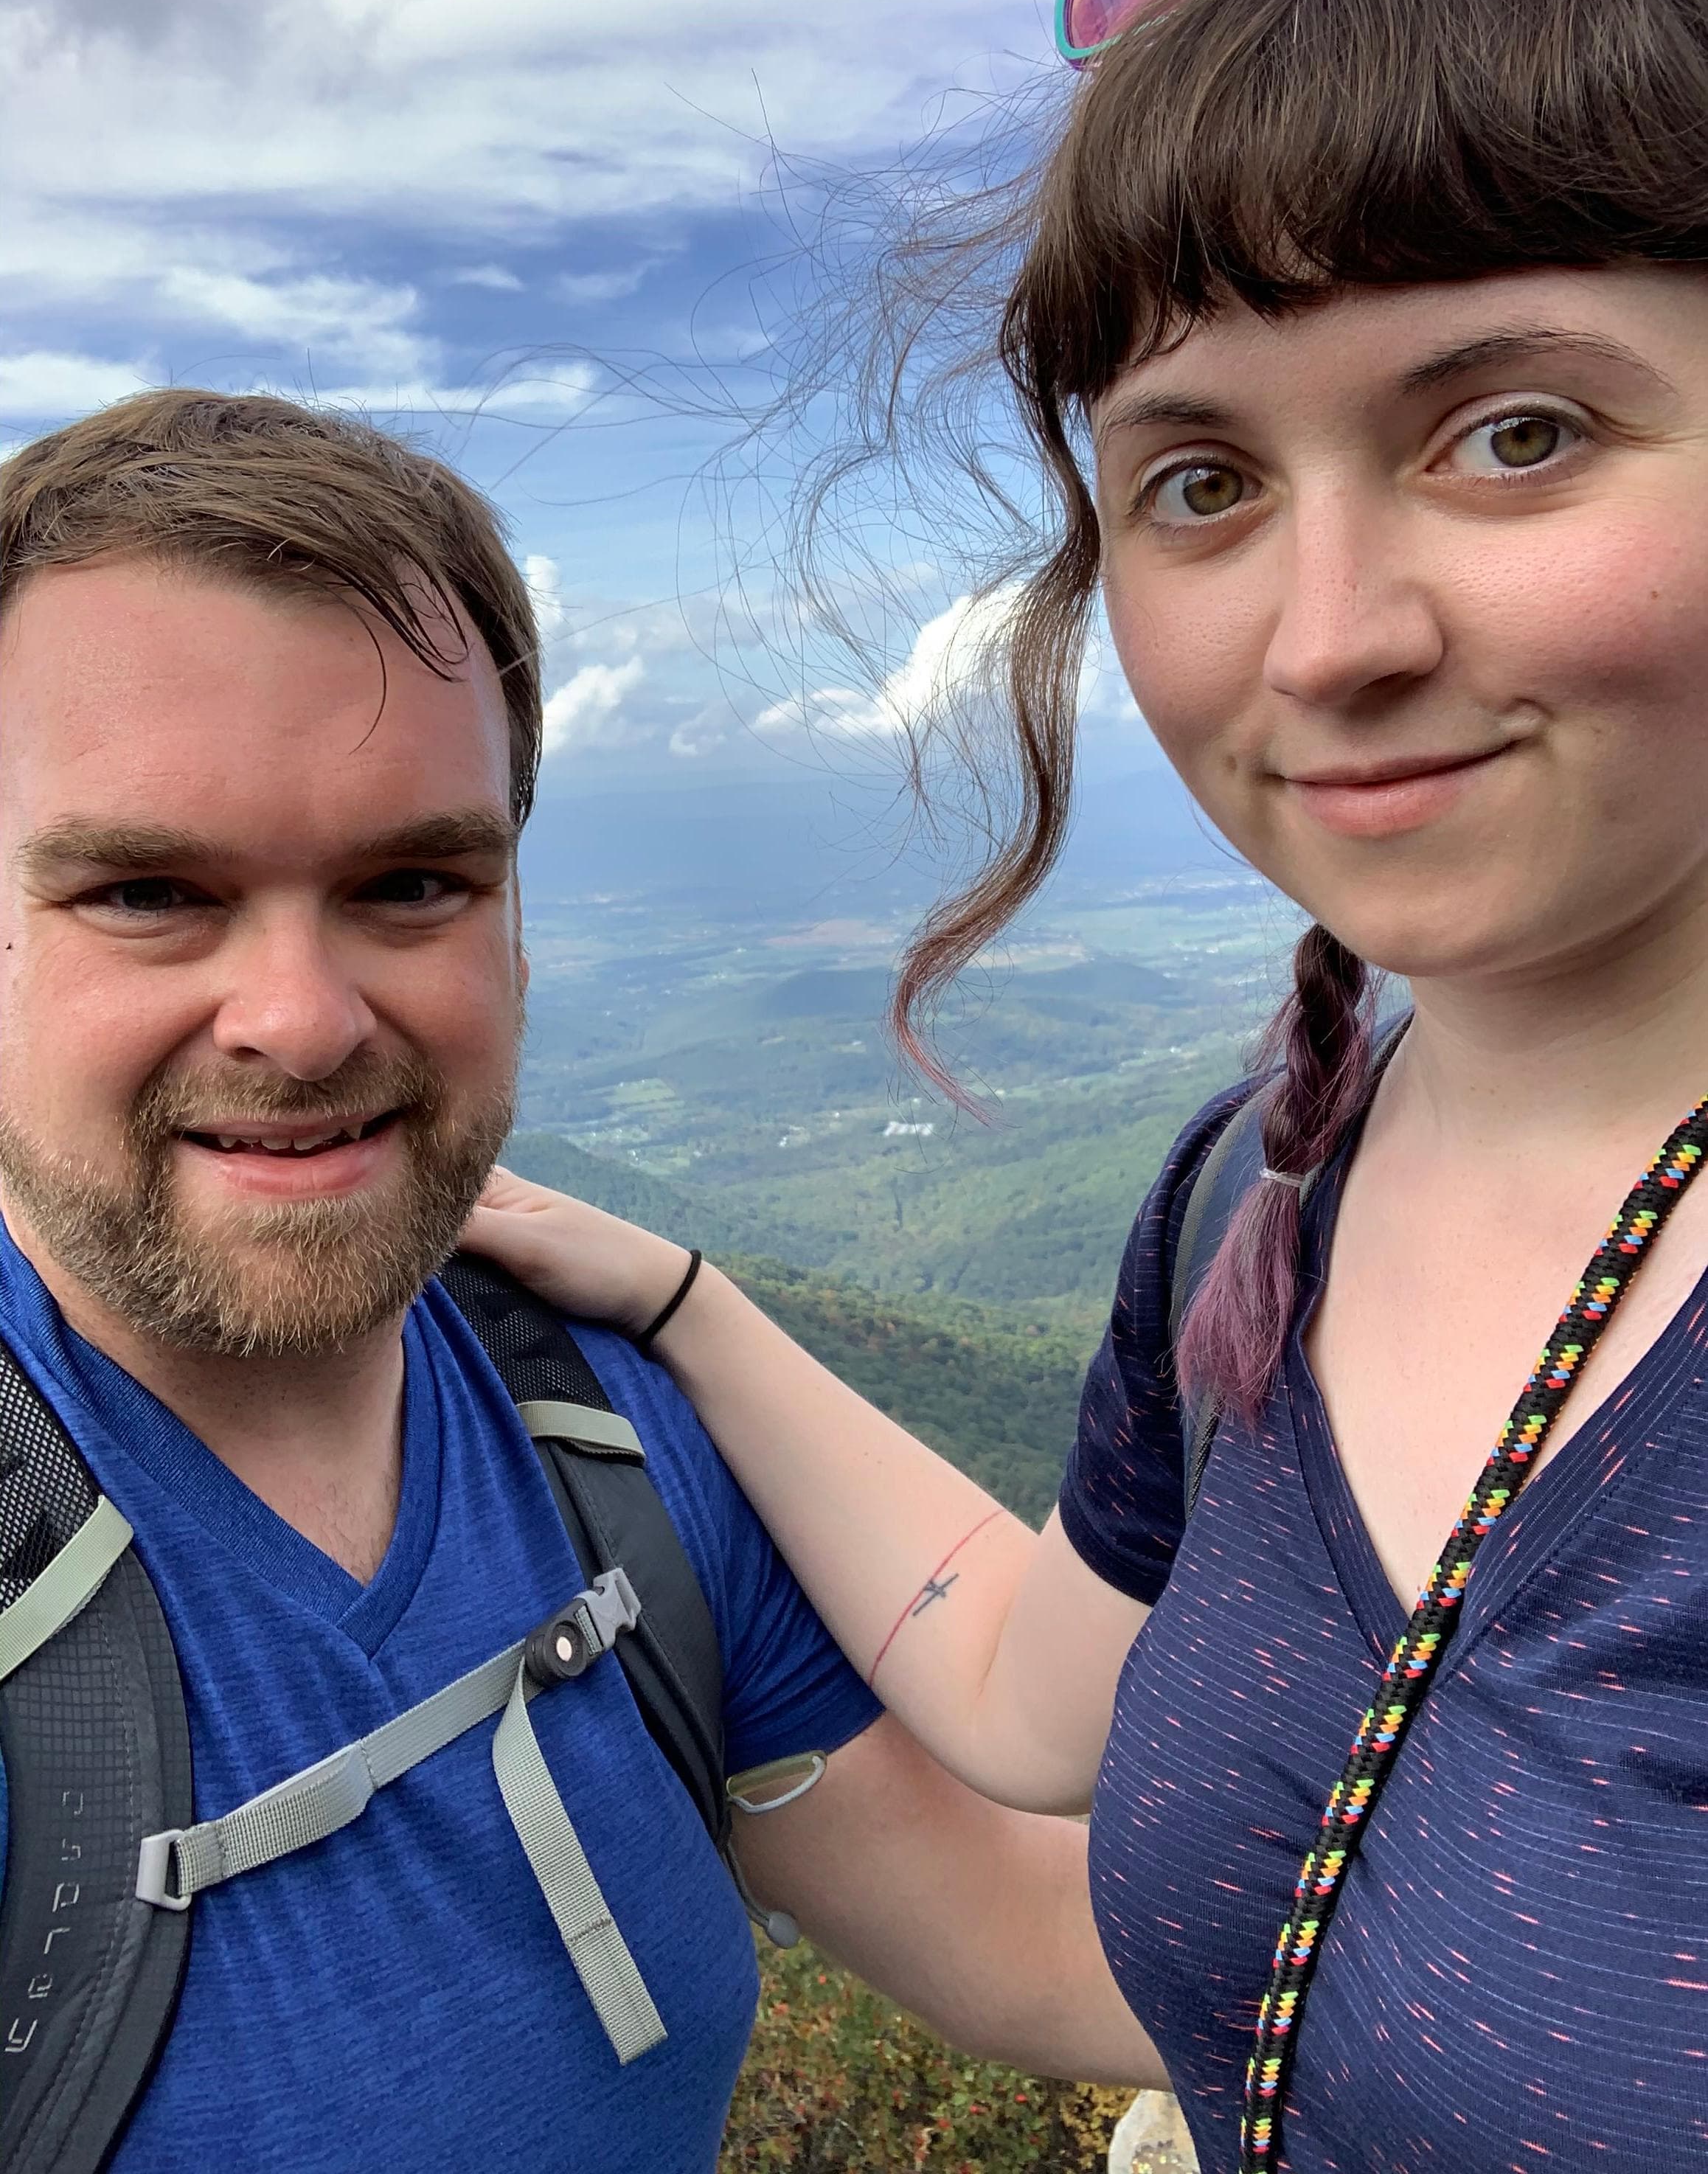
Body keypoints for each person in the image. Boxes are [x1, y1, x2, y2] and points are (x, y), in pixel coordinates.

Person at [462, 0, 1708, 2167]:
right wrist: (678, 1311)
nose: (1324, 639)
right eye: (1201, 481)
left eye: (1512, 431)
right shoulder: (1265, 1186)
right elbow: (1039, 1698)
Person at [0, 389, 1162, 2174]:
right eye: (149, 889)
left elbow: (1053, 1943)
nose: (303, 1020)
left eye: (413, 881)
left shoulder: (609, 1439)